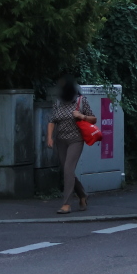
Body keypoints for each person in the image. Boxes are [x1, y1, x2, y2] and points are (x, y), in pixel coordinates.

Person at [47, 80, 96, 214]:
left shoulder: (81, 101)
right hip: (61, 140)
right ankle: (82, 195)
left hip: (76, 140)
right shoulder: (58, 102)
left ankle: (66, 204)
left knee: (68, 169)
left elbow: (93, 119)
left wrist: (81, 116)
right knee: (67, 171)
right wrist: (50, 137)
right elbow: (52, 121)